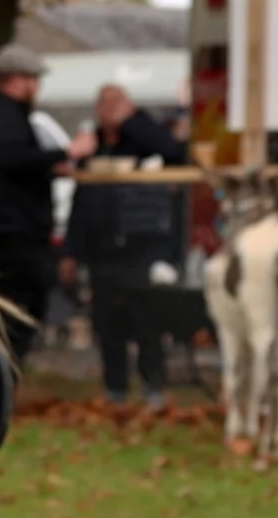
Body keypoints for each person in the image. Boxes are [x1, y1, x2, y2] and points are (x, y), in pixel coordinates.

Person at [62, 83, 186, 406]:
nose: (110, 110)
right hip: (101, 248)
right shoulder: (93, 150)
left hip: (142, 244)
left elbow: (173, 151)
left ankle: (152, 385)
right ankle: (114, 388)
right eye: (104, 103)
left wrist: (131, 121)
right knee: (107, 323)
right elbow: (80, 202)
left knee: (147, 320)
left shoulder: (145, 139)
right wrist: (71, 251)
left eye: (117, 103)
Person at [0, 42, 78, 359]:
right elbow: (13, 157)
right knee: (21, 304)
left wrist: (46, 165)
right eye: (33, 79)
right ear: (17, 79)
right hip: (13, 227)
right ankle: (4, 369)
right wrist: (65, 153)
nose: (36, 87)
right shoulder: (4, 112)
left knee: (5, 302)